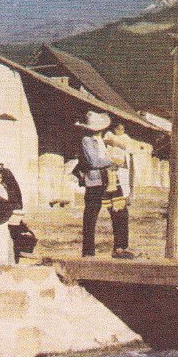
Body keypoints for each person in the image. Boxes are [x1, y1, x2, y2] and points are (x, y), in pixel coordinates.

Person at [75, 110, 135, 259]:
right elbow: (93, 162)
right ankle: (88, 251)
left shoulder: (105, 140)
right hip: (95, 182)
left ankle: (120, 247)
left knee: (120, 212)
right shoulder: (87, 141)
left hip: (111, 180)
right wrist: (112, 161)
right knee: (91, 216)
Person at [104, 122, 135, 204]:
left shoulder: (125, 137)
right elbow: (106, 141)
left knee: (123, 181)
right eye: (118, 129)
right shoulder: (109, 134)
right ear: (114, 129)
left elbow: (126, 147)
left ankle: (125, 199)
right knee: (112, 181)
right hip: (111, 161)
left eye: (122, 129)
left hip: (122, 162)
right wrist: (116, 143)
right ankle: (112, 199)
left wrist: (116, 143)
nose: (120, 131)